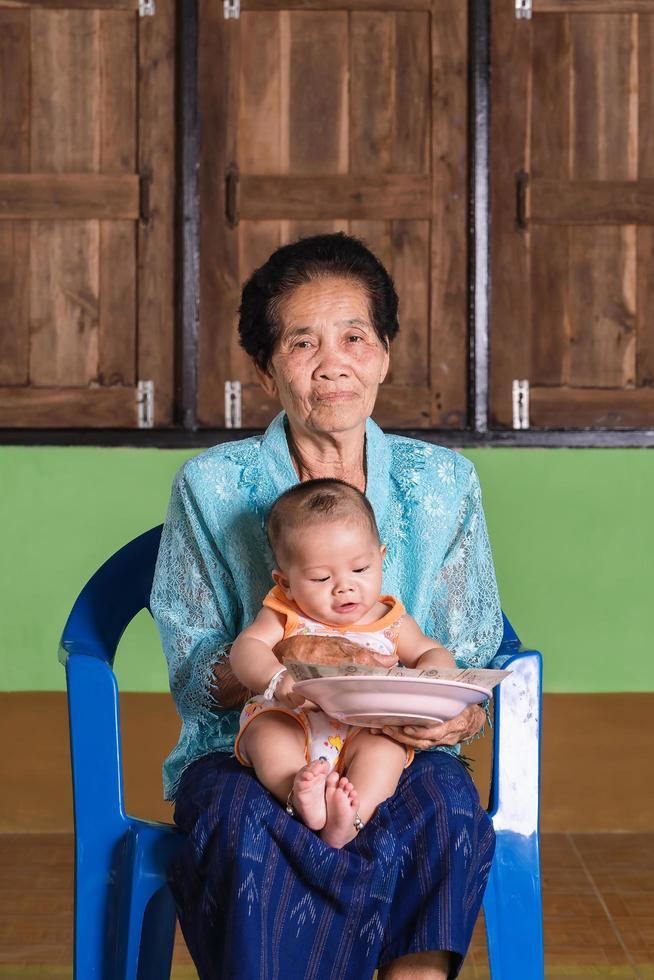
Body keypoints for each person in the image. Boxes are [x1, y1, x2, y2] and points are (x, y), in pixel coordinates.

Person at [151, 232, 503, 979]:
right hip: (256, 745)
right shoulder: (210, 486)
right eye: (302, 342)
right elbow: (193, 675)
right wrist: (278, 676)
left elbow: (469, 654)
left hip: (397, 748)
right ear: (267, 369)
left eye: (354, 337)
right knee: (240, 820)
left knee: (443, 808)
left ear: (384, 353)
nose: (333, 361)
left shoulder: (444, 482)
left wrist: (454, 712)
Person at [230, 478, 457, 849]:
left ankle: (349, 819)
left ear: (382, 557)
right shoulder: (284, 612)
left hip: (366, 726)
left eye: (361, 570)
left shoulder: (392, 619)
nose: (344, 587)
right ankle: (298, 792)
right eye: (321, 577)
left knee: (386, 753)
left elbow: (430, 652)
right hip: (295, 716)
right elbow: (247, 647)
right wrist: (276, 679)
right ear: (284, 583)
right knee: (267, 734)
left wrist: (432, 680)